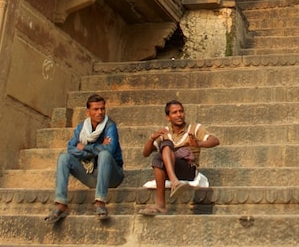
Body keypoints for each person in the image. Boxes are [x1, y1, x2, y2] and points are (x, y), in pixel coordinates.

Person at [44, 94, 124, 222]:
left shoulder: (110, 126)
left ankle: (100, 203)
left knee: (104, 155)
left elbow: (109, 149)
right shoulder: (82, 127)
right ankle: (61, 204)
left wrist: (85, 148)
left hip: (113, 176)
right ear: (88, 112)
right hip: (90, 173)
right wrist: (95, 150)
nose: (100, 112)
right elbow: (71, 148)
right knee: (64, 158)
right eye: (96, 109)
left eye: (102, 109)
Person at [139, 100, 219, 216]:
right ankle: (166, 196)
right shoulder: (165, 132)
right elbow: (145, 153)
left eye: (181, 111)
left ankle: (165, 197)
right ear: (168, 117)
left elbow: (215, 141)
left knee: (163, 150)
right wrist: (152, 138)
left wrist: (198, 144)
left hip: (188, 169)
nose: (179, 115)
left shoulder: (194, 128)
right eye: (174, 112)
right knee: (161, 152)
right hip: (170, 168)